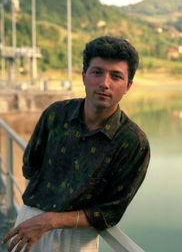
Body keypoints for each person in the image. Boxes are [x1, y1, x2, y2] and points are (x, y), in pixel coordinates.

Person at [2, 36, 150, 252]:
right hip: (29, 223)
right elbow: (30, 165)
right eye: (97, 72)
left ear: (128, 86)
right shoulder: (55, 114)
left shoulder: (132, 142)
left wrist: (50, 220)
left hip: (77, 238)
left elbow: (110, 212)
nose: (104, 83)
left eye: (116, 76)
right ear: (84, 76)